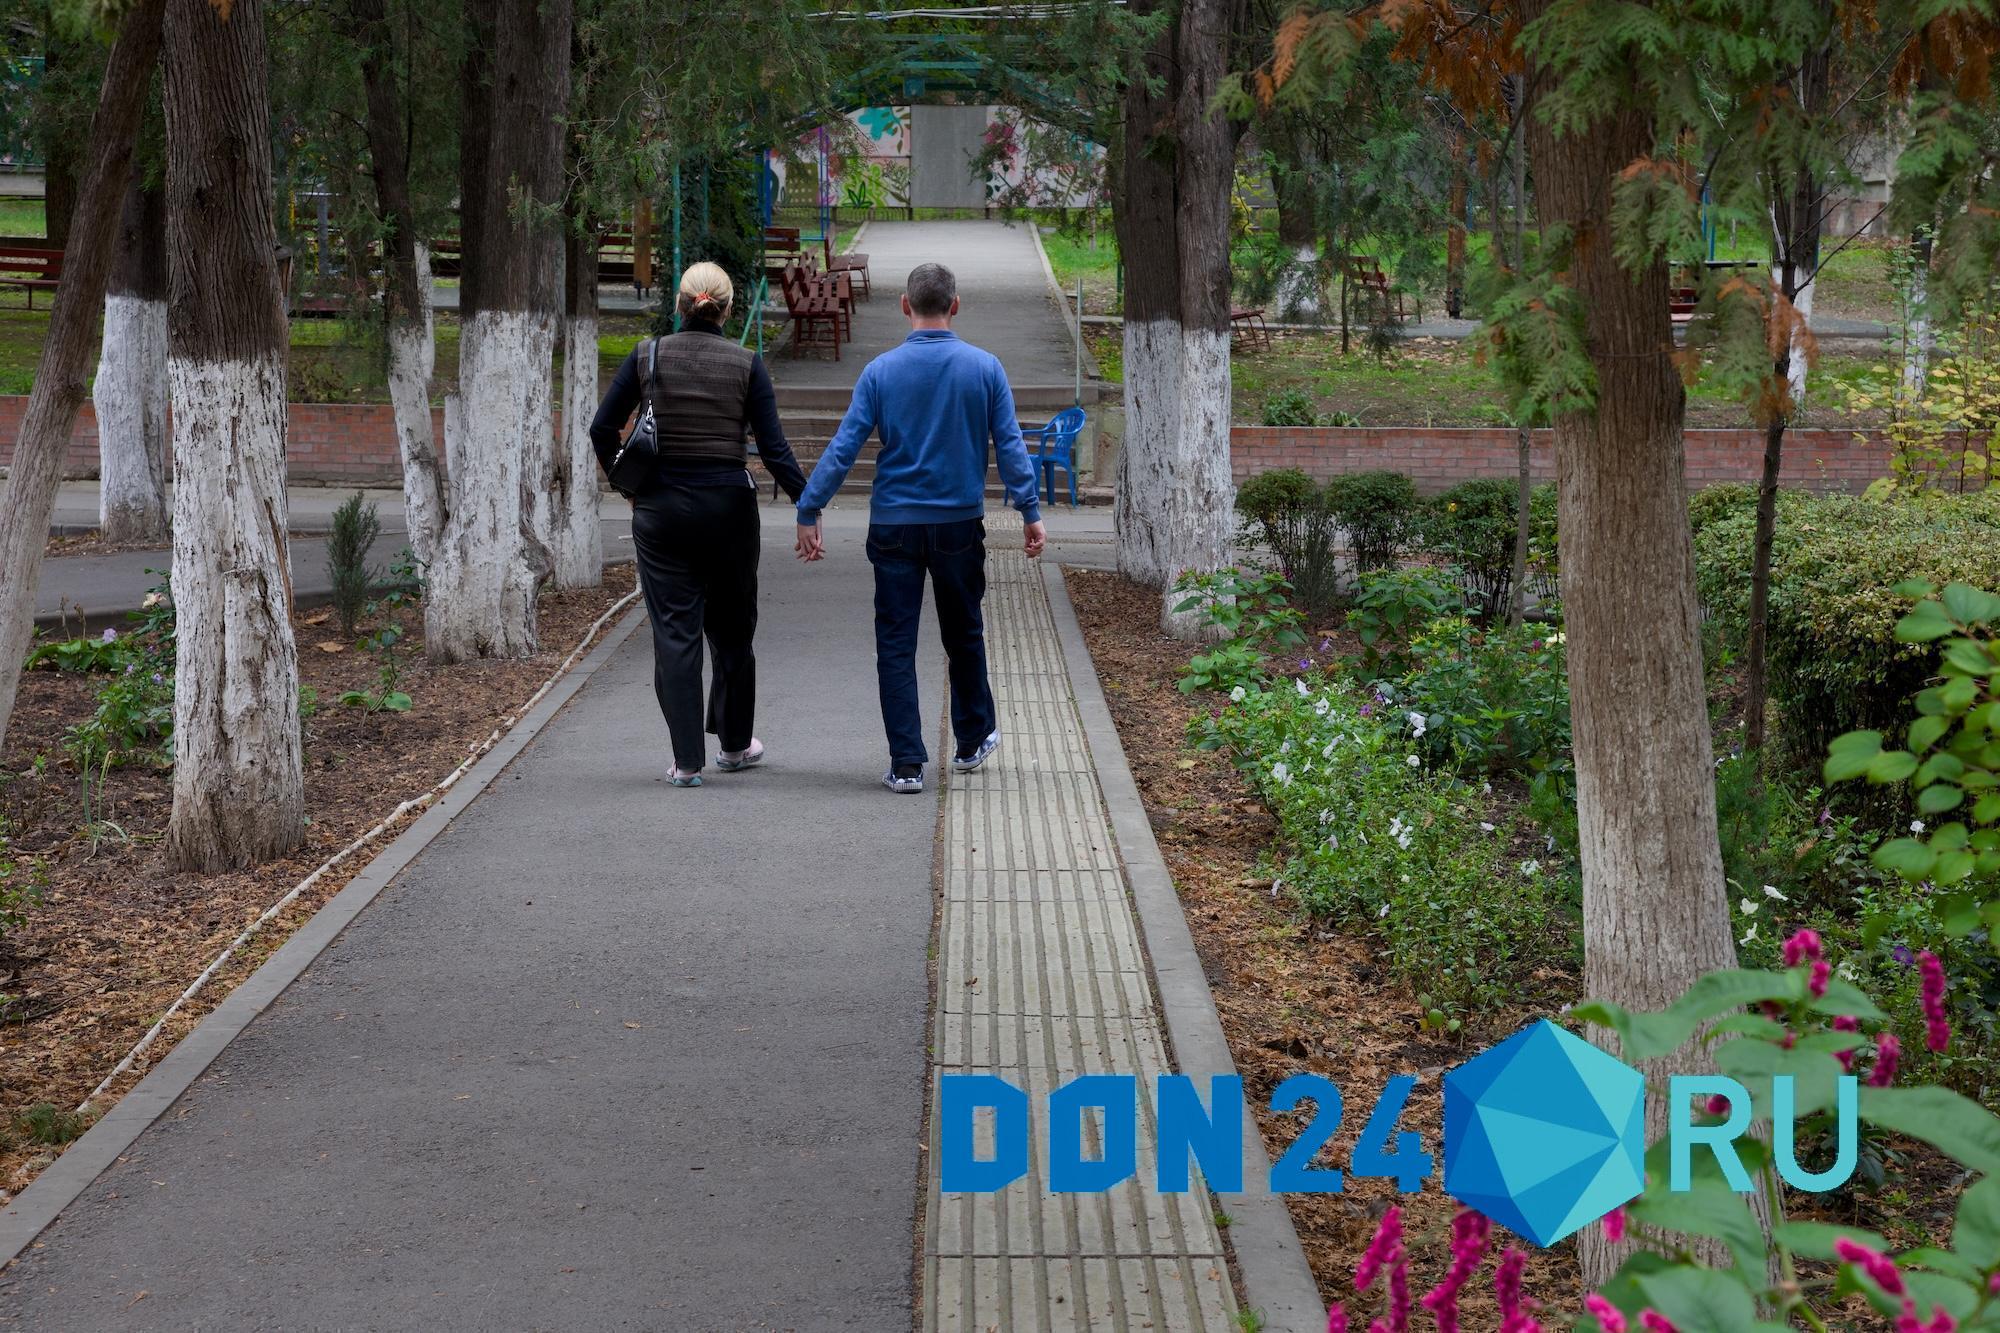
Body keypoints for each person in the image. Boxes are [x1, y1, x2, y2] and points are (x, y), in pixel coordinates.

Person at [794, 262, 1047, 794]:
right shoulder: (985, 368)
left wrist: (809, 509)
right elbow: (1010, 444)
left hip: (894, 527)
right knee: (964, 632)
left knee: (895, 643)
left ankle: (907, 764)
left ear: (905, 306)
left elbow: (844, 446)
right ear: (955, 306)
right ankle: (972, 739)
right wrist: (1029, 511)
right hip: (958, 525)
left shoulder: (880, 372)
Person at [590, 262, 808, 788]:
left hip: (661, 511)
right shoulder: (747, 363)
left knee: (675, 632)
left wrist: (630, 488)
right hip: (730, 510)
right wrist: (809, 504)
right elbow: (774, 449)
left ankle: (687, 762)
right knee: (733, 629)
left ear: (680, 304)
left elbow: (602, 428)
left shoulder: (647, 355)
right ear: (727, 309)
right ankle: (734, 746)